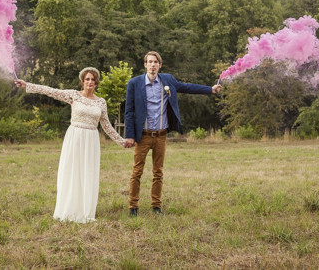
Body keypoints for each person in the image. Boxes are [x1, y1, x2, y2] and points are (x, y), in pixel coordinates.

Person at [15, 67, 128, 223]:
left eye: (93, 79)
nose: (90, 82)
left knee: (87, 173)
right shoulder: (74, 95)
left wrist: (122, 142)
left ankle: (85, 210)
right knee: (72, 171)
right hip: (74, 137)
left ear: (96, 83)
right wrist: (27, 85)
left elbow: (107, 126)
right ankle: (68, 208)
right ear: (82, 81)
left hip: (91, 140)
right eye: (87, 79)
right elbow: (50, 91)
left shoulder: (101, 102)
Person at [124, 51, 221, 216]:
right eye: (150, 62)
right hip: (144, 135)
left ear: (160, 65)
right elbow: (129, 111)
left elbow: (187, 87)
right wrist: (130, 135)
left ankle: (156, 206)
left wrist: (210, 90)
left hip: (161, 135)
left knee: (158, 172)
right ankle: (133, 207)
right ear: (145, 64)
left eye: (156, 62)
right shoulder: (134, 83)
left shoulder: (167, 80)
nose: (153, 65)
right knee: (137, 171)